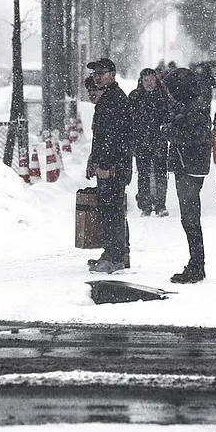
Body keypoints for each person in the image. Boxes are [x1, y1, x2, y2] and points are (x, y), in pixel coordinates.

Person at [160, 67, 213, 284]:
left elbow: (195, 138)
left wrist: (169, 131)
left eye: (172, 89)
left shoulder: (194, 109)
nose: (169, 94)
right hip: (187, 167)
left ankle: (196, 265)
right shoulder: (189, 106)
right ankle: (195, 263)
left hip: (190, 169)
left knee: (191, 219)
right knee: (189, 219)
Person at [85, 58, 133, 274]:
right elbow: (101, 137)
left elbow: (115, 138)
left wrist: (106, 164)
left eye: (101, 73)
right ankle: (111, 253)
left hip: (114, 167)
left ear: (112, 74)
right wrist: (94, 160)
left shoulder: (116, 100)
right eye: (95, 73)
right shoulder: (107, 99)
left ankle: (115, 257)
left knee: (112, 211)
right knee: (109, 210)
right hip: (108, 165)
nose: (97, 76)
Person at [129, 67, 172, 217]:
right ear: (141, 81)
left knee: (161, 173)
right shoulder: (135, 97)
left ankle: (160, 204)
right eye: (146, 80)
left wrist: (165, 130)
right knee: (143, 174)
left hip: (159, 140)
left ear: (156, 80)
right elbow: (129, 120)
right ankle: (145, 205)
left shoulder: (163, 96)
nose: (149, 83)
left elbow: (170, 116)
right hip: (141, 141)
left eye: (152, 79)